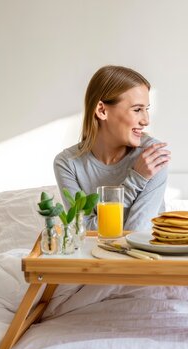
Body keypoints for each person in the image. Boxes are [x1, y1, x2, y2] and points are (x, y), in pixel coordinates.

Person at [54, 65, 170, 231]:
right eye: (137, 109)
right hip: (93, 255)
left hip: (145, 255)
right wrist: (137, 179)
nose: (146, 120)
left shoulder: (152, 155)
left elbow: (137, 232)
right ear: (102, 110)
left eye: (146, 109)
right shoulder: (67, 163)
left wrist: (96, 220)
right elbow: (84, 231)